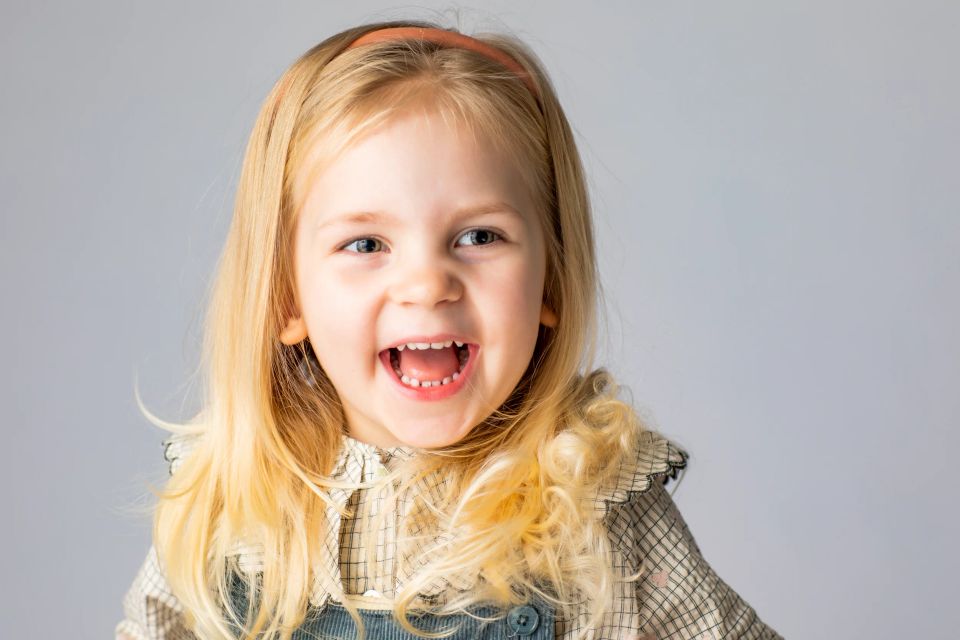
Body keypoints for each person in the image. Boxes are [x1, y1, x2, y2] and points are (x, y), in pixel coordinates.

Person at [116, 19, 783, 640]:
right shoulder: (237, 511)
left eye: (477, 235)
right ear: (287, 297)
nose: (427, 283)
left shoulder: (590, 508)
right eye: (366, 243)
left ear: (549, 280)